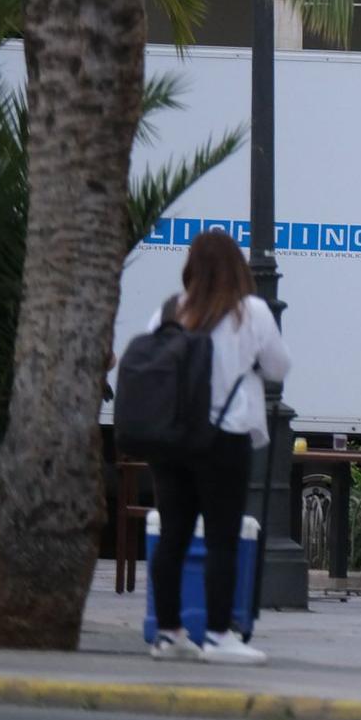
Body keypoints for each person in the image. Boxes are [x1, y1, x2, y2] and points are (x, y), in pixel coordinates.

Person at [139, 229, 290, 665]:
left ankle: (169, 634)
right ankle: (220, 635)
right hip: (225, 436)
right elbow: (280, 366)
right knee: (222, 538)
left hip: (170, 438)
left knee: (173, 536)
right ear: (237, 267)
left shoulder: (168, 309)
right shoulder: (251, 312)